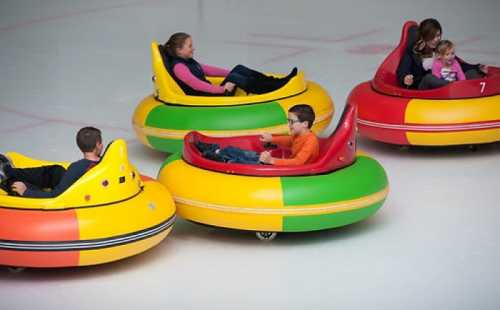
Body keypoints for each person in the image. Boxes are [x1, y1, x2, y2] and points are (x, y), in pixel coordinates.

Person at [162, 32, 297, 96]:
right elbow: (197, 85)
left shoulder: (187, 61)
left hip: (211, 94)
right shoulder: (179, 68)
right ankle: (272, 89)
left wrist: (231, 72)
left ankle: (276, 82)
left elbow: (208, 70)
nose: (193, 48)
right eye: (190, 46)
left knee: (239, 69)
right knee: (235, 78)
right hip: (206, 99)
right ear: (179, 50)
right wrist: (222, 89)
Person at [196, 104, 319, 166]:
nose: (289, 124)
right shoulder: (299, 134)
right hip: (283, 163)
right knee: (238, 151)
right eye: (288, 120)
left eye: (292, 121)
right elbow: (289, 141)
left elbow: (298, 162)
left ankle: (220, 158)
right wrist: (272, 139)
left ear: (305, 124)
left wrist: (271, 160)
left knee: (241, 160)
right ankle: (217, 150)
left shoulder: (310, 141)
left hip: (289, 170)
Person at [0, 127, 103, 198]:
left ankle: (5, 181)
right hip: (80, 185)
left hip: (70, 195)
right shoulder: (104, 162)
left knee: (17, 185)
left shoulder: (77, 167)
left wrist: (26, 192)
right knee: (56, 170)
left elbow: (56, 195)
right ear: (98, 144)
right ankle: (9, 171)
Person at [396, 18, 488, 90]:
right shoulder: (413, 51)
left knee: (471, 73)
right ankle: (453, 86)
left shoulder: (440, 48)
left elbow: (457, 64)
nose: (436, 39)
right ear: (424, 36)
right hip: (424, 87)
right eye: (432, 36)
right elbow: (402, 71)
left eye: (438, 35)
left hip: (446, 81)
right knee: (429, 78)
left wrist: (477, 67)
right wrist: (405, 78)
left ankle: (462, 88)